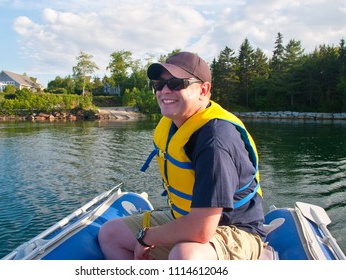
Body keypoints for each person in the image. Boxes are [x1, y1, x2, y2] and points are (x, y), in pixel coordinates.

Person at [98, 51, 267, 260]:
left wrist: (146, 237)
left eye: (177, 83)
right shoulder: (174, 124)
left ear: (203, 90)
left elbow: (202, 229)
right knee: (111, 234)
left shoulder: (215, 141)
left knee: (184, 256)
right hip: (187, 218)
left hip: (236, 230)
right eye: (159, 84)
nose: (165, 90)